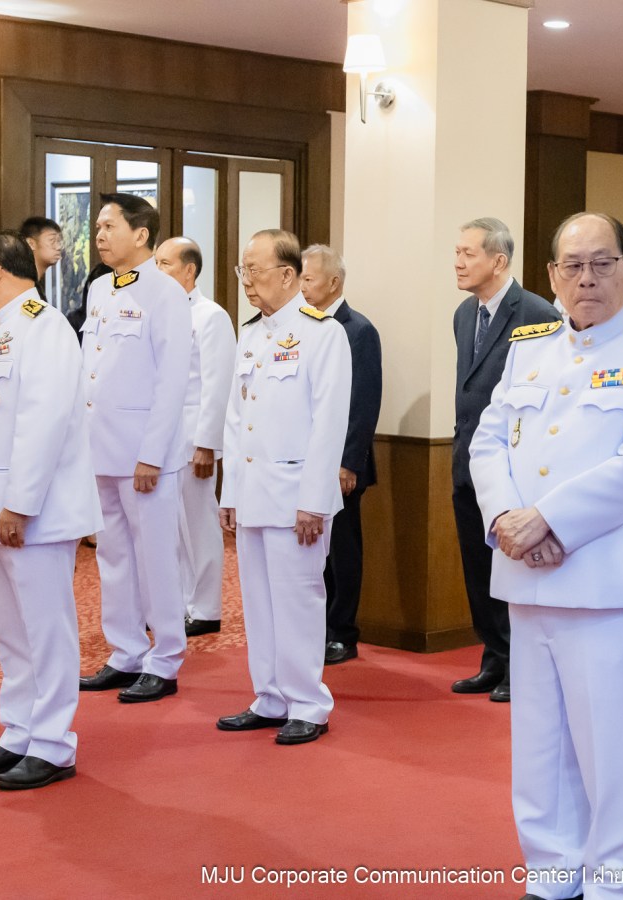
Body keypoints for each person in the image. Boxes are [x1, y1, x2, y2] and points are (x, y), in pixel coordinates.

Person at [470, 211, 623, 900]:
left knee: (612, 751)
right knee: (539, 746)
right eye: (573, 265)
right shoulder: (530, 347)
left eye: (603, 263)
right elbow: (488, 443)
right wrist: (507, 517)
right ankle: (551, 875)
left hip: (604, 585)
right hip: (528, 583)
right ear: (551, 276)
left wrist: (549, 521)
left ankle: (615, 886)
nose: (587, 278)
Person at [0, 230, 101, 789]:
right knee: (10, 631)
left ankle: (54, 743)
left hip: (34, 514)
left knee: (45, 628)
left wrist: (18, 504)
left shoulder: (45, 326)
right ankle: (19, 731)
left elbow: (45, 421)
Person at [216, 229, 351, 745]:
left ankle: (308, 703)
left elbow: (328, 423)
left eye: (255, 270)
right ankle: (269, 696)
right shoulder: (249, 335)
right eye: (242, 271)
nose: (247, 281)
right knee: (259, 600)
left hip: (297, 495)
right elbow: (235, 419)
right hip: (252, 493)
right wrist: (229, 494)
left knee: (297, 600)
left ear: (289, 275)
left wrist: (314, 501)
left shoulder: (323, 334)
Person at [77, 193, 193, 703]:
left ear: (141, 234)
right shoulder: (100, 289)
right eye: (97, 227)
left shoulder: (165, 293)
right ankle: (124, 652)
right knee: (114, 555)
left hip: (144, 453)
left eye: (108, 226)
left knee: (155, 558)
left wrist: (152, 453)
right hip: (100, 449)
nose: (99, 235)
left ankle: (165, 659)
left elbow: (173, 381)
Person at [450, 217, 559, 703]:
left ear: (499, 260)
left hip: (513, 471)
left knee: (510, 570)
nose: (458, 261)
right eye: (457, 252)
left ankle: (520, 664)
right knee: (477, 569)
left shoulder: (535, 312)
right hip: (467, 461)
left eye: (469, 253)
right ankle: (493, 657)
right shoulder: (462, 314)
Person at [298, 243, 382, 666]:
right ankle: (318, 627)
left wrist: (349, 463)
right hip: (306, 460)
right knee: (315, 553)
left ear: (333, 282)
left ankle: (343, 631)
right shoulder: (302, 327)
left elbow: (363, 403)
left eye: (308, 279)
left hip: (341, 467)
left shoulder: (357, 329)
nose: (301, 287)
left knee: (343, 550)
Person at [155, 236, 235, 637]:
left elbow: (217, 385)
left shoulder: (210, 316)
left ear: (189, 270)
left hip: (191, 440)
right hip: (161, 441)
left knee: (198, 525)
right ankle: (180, 602)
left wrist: (207, 444)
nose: (157, 270)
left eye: (165, 263)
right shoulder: (160, 313)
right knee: (169, 528)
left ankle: (205, 607)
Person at [19, 216, 63, 302]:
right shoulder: (23, 286)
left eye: (59, 241)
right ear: (31, 243)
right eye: (52, 241)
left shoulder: (35, 284)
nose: (58, 247)